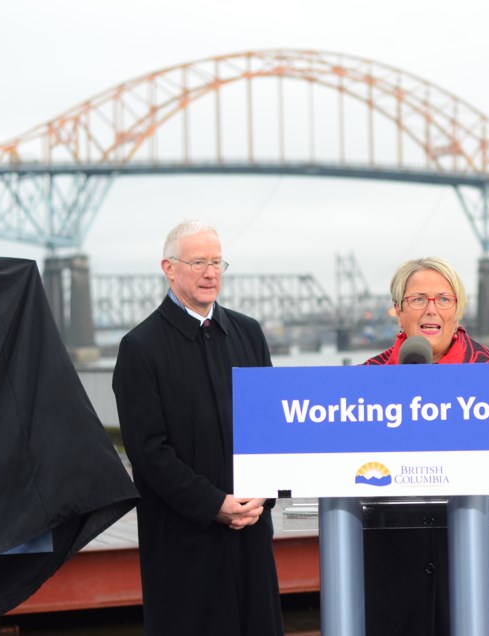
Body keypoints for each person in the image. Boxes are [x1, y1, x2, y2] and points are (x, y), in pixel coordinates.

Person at [112, 220, 284, 635]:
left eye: (217, 262)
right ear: (168, 268)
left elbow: (271, 430)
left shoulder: (249, 333)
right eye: (198, 262)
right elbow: (149, 453)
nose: (211, 273)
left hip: (251, 531)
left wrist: (262, 496)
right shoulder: (140, 348)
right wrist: (214, 505)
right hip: (185, 542)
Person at [361, 256, 489, 636]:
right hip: (393, 571)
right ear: (398, 310)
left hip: (486, 567)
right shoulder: (363, 384)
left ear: (458, 309)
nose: (431, 309)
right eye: (418, 299)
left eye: (444, 299)